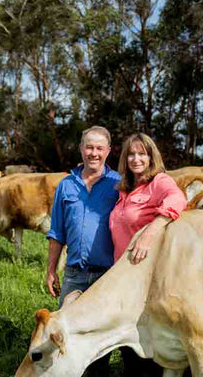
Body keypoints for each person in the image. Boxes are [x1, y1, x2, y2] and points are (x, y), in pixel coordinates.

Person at [109, 133, 187, 377]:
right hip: (125, 275)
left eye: (142, 153)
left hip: (148, 275)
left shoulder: (159, 182)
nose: (136, 158)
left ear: (151, 157)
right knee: (132, 333)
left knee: (152, 333)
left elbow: (178, 198)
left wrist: (151, 231)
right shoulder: (125, 190)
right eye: (131, 154)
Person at [46, 125, 121, 376]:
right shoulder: (66, 185)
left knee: (101, 335)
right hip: (74, 273)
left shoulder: (119, 184)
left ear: (108, 151)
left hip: (108, 275)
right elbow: (57, 232)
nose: (94, 153)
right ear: (80, 149)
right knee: (66, 331)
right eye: (89, 147)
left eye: (100, 148)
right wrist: (50, 270)